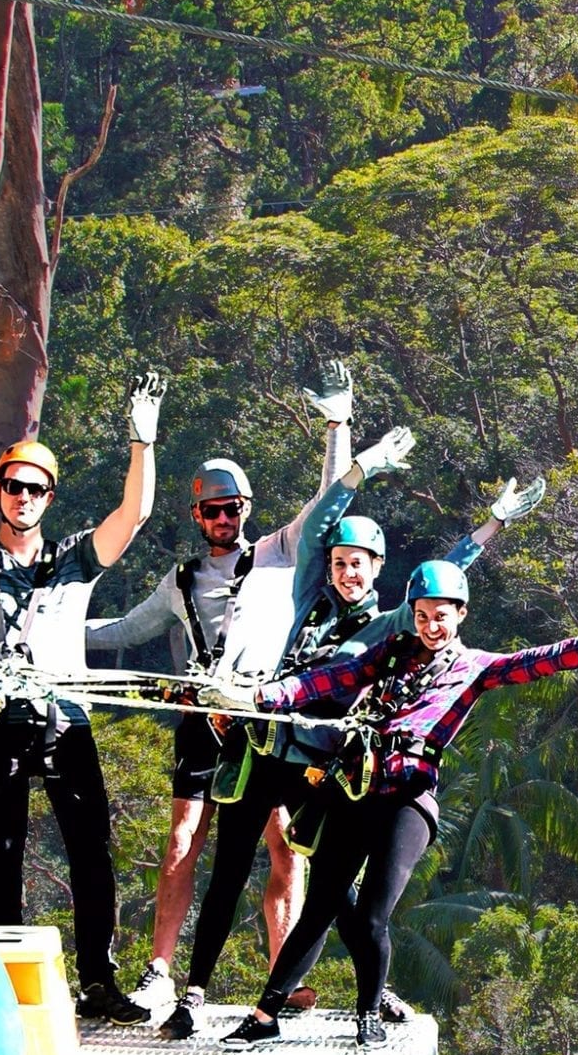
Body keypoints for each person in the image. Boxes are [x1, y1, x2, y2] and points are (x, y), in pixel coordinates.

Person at [202, 566, 578, 1049]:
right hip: (358, 788)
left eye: (440, 616)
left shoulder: (476, 667)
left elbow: (543, 659)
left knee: (371, 917)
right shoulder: (391, 656)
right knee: (320, 905)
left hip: (408, 800)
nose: (430, 626)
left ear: (460, 614)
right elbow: (329, 679)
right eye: (421, 616)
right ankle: (265, 1014)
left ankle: (367, 1015)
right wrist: (258, 697)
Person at [157, 473, 549, 1041]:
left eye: (358, 564)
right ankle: (194, 993)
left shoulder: (391, 622)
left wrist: (494, 523)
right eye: (340, 563)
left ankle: (372, 979)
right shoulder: (309, 597)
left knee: (335, 887)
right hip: (269, 744)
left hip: (321, 763)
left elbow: (449, 574)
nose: (347, 573)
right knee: (231, 867)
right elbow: (317, 525)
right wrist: (349, 461)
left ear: (378, 568)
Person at [87, 360, 416, 1018]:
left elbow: (327, 508)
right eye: (212, 510)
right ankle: (160, 969)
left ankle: (282, 975)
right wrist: (51, 620)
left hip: (266, 716)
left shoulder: (276, 553)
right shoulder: (181, 581)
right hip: (205, 716)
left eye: (233, 508)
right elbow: (123, 631)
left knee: (285, 844)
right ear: (197, 514)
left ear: (246, 510)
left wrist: (338, 428)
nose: (223, 519)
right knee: (185, 838)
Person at [0, 374, 165, 1021]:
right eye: (14, 486)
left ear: (49, 498)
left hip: (64, 721)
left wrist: (143, 441)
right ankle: (0, 988)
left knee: (91, 854)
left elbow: (132, 516)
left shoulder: (70, 559)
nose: (23, 498)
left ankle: (98, 983)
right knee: (2, 857)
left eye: (35, 489)